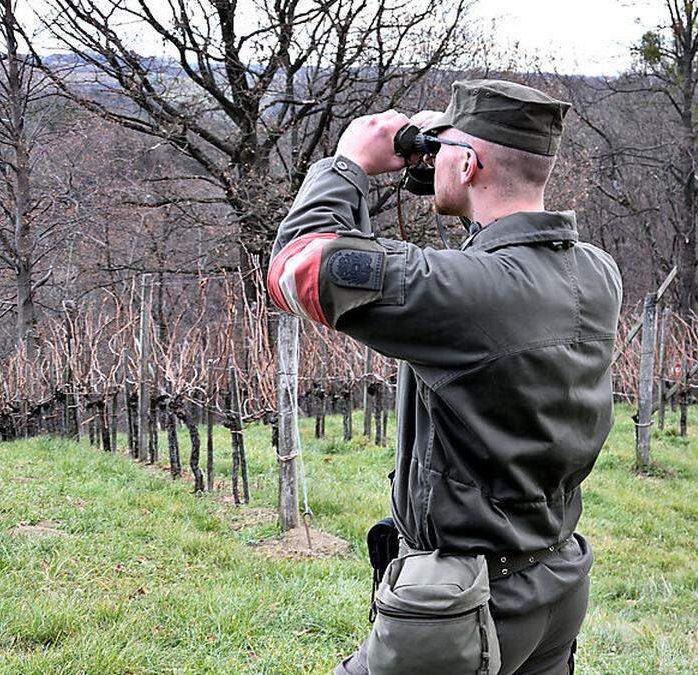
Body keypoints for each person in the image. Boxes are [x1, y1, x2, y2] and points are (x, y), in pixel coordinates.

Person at [265, 79, 622, 674]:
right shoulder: (595, 273)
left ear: (468, 162)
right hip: (554, 584)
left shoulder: (469, 294)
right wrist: (454, 159)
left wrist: (348, 165)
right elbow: (501, 270)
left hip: (463, 603)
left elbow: (296, 268)